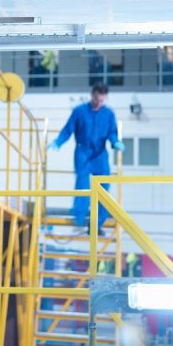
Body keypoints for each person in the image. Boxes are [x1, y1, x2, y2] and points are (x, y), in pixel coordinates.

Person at [48, 83, 123, 234]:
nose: (99, 103)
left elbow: (112, 132)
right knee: (83, 186)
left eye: (102, 100)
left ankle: (95, 225)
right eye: (97, 99)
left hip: (100, 154)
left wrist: (115, 142)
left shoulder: (108, 114)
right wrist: (58, 142)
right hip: (82, 153)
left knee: (103, 189)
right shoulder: (79, 111)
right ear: (92, 95)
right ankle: (79, 219)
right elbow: (68, 130)